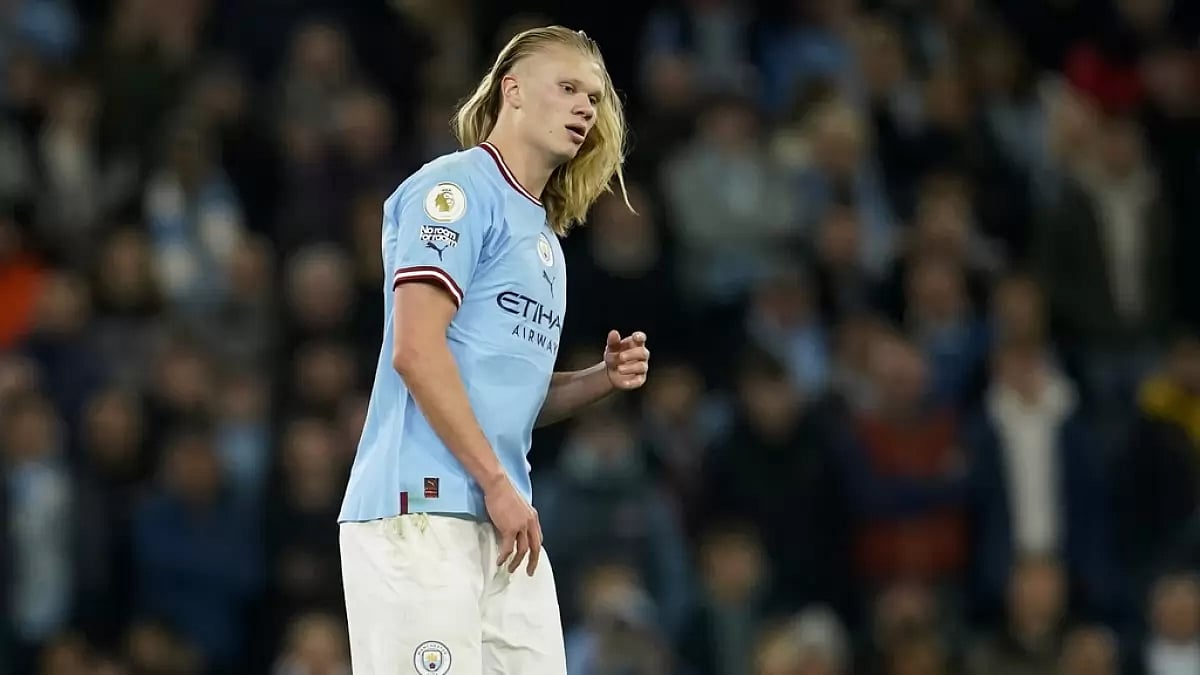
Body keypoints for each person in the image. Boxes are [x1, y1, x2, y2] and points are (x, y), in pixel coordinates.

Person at [337, 25, 650, 675]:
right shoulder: (452, 192)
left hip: (504, 523)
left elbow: (507, 399)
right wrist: (497, 484)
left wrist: (598, 379)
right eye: (568, 88)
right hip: (419, 512)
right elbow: (416, 352)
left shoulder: (547, 243)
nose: (586, 108)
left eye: (593, 97)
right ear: (512, 91)